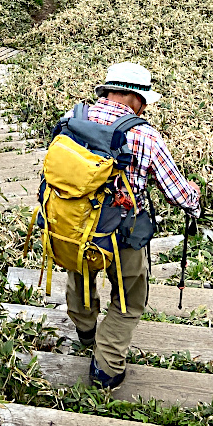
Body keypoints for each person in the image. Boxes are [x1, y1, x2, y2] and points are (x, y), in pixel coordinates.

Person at [61, 61, 201, 389]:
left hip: (72, 225)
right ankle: (106, 369)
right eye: (146, 101)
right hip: (120, 233)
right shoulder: (144, 134)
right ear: (135, 98)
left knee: (79, 276)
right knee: (129, 298)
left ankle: (85, 330)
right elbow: (177, 193)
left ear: (107, 91)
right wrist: (194, 199)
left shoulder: (74, 119)